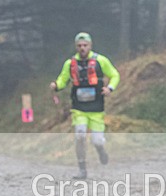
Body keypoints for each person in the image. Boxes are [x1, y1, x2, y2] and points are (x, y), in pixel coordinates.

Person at [50, 32, 120, 179]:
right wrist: (56, 85)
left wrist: (110, 88)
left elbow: (115, 74)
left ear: (90, 46)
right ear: (76, 47)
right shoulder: (70, 64)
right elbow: (63, 80)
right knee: (80, 136)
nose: (82, 48)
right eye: (79, 46)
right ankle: (82, 169)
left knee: (97, 141)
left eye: (85, 45)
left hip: (96, 108)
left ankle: (101, 150)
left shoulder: (101, 60)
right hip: (78, 108)